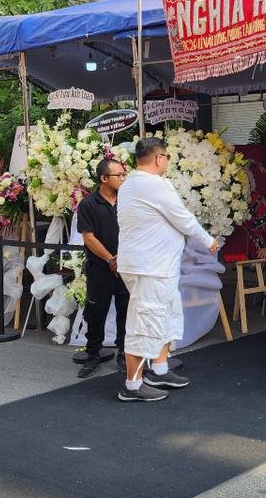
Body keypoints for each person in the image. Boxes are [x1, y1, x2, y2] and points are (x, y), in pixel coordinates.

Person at [115, 137, 218, 403]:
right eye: (168, 157)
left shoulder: (130, 184)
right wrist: (208, 241)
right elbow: (182, 217)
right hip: (150, 267)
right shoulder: (153, 185)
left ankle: (159, 369)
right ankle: (133, 384)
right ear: (159, 158)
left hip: (154, 265)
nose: (168, 162)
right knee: (145, 322)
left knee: (165, 316)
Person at [75, 157, 131, 379]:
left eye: (123, 175)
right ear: (104, 178)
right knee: (96, 312)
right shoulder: (88, 204)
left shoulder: (126, 201)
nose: (123, 179)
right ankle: (93, 354)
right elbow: (89, 238)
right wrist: (110, 259)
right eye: (118, 175)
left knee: (125, 311)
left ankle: (125, 353)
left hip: (126, 267)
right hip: (100, 268)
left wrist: (123, 258)